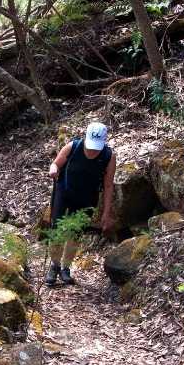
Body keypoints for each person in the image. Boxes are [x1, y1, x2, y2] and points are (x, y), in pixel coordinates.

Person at [45, 122, 116, 286]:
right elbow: (56, 163)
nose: (93, 150)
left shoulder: (108, 156)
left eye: (97, 147)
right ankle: (54, 266)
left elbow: (108, 185)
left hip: (87, 198)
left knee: (76, 233)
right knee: (57, 229)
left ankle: (66, 268)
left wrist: (106, 212)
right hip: (64, 192)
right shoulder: (73, 147)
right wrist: (53, 169)